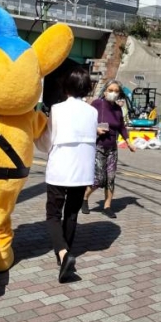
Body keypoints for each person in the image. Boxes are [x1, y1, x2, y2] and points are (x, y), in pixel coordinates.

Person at [37, 66, 100, 282]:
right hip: (82, 170)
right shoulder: (93, 112)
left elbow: (48, 141)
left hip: (60, 167)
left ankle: (63, 254)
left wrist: (37, 140)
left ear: (66, 88)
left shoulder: (57, 109)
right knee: (71, 213)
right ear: (87, 88)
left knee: (53, 214)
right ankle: (66, 253)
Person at [82, 79, 135, 219]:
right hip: (98, 145)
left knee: (110, 178)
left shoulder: (118, 109)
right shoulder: (97, 104)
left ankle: (107, 206)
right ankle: (85, 197)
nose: (113, 93)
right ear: (105, 91)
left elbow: (122, 127)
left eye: (116, 91)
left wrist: (128, 142)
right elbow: (86, 121)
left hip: (112, 148)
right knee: (99, 178)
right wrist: (96, 129)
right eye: (110, 90)